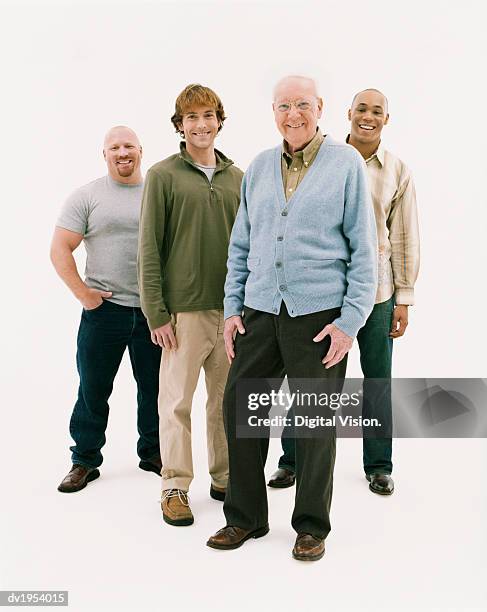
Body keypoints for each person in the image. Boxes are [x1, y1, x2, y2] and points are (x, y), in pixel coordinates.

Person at [206, 76, 378, 561]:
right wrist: (232, 308)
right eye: (283, 105)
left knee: (315, 423)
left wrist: (349, 322)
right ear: (274, 111)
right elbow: (241, 244)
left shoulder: (345, 164)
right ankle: (245, 518)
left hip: (319, 317)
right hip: (259, 312)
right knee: (241, 413)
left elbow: (365, 251)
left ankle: (310, 526)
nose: (293, 114)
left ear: (320, 108)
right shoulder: (259, 167)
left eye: (302, 104)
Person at [271, 88, 420, 496]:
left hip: (376, 294)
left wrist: (403, 297)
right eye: (361, 109)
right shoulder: (324, 159)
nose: (368, 116)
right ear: (347, 113)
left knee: (376, 380)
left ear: (386, 119)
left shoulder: (396, 171)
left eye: (377, 111)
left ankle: (378, 464)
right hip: (324, 294)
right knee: (307, 381)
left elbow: (403, 236)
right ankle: (292, 459)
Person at [138, 84, 243, 527]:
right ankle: (175, 486)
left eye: (208, 115)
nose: (201, 124)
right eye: (192, 117)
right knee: (176, 401)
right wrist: (156, 312)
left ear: (219, 120)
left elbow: (249, 247)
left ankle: (225, 478)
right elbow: (148, 249)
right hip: (183, 313)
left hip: (233, 312)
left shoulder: (240, 177)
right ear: (180, 126)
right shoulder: (163, 175)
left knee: (225, 401)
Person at [51, 126, 162, 493]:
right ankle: (84, 459)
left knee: (156, 389)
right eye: (114, 147)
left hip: (153, 313)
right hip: (105, 311)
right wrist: (84, 294)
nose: (122, 152)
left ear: (141, 151)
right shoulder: (88, 196)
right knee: (93, 389)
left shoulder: (158, 193)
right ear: (104, 154)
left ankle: (154, 453)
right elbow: (60, 248)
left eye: (128, 145)